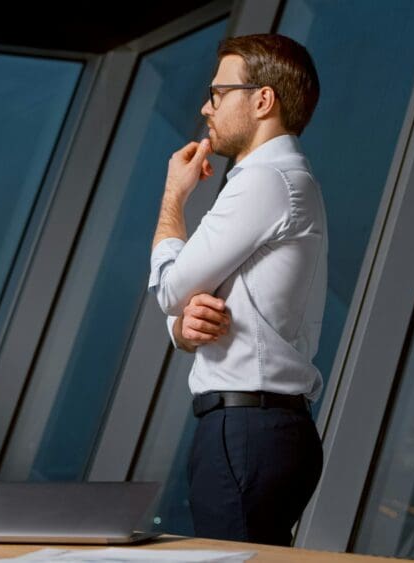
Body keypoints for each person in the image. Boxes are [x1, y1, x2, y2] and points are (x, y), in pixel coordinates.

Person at [147, 33, 326, 546]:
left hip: (246, 430)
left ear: (262, 99)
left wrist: (173, 198)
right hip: (264, 429)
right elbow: (194, 311)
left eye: (218, 93)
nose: (207, 107)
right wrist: (184, 329)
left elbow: (171, 287)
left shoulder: (266, 180)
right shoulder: (285, 180)